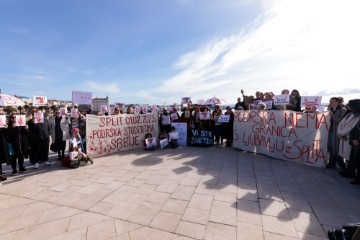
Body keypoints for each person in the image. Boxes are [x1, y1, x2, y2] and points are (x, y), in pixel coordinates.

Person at [338, 99, 360, 179]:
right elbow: (341, 124)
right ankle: (348, 170)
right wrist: (340, 132)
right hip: (344, 137)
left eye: (349, 104)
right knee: (348, 156)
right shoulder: (349, 114)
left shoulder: (357, 116)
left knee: (351, 157)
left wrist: (342, 133)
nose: (347, 105)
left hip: (349, 138)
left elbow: (352, 127)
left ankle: (351, 172)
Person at [326, 97, 347, 169]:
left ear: (337, 102)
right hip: (329, 131)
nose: (330, 102)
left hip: (336, 132)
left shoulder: (342, 110)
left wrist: (332, 114)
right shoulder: (330, 110)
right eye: (330, 101)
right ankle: (332, 163)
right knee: (330, 148)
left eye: (332, 101)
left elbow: (341, 121)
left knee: (336, 149)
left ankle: (341, 165)